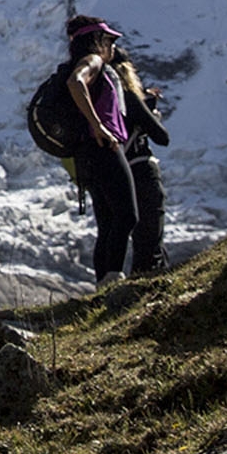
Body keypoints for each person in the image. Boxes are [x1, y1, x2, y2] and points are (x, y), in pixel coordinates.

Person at [61, 15, 147, 285]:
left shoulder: (83, 63)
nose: (112, 46)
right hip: (103, 146)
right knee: (127, 215)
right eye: (109, 40)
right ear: (96, 41)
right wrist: (97, 125)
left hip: (86, 153)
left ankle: (103, 282)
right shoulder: (93, 62)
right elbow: (76, 83)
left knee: (108, 221)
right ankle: (112, 279)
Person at [121, 70, 172, 275]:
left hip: (118, 174)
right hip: (141, 169)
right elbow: (162, 137)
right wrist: (148, 111)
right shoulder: (129, 98)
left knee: (138, 235)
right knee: (150, 237)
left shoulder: (98, 98)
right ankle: (144, 283)